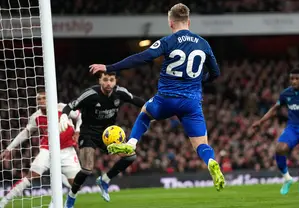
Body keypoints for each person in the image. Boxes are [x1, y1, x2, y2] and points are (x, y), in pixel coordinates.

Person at [89, 3, 225, 192]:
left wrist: (109, 67)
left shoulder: (168, 41)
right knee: (201, 144)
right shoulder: (203, 43)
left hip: (166, 99)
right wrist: (201, 80)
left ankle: (131, 143)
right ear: (189, 21)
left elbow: (142, 57)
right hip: (191, 102)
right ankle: (211, 161)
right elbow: (216, 73)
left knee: (145, 113)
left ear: (170, 23)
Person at [60, 71, 145, 208]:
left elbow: (138, 101)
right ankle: (72, 196)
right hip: (88, 133)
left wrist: (154, 109)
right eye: (105, 80)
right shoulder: (90, 94)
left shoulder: (120, 93)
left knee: (130, 156)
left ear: (115, 81)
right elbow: (70, 106)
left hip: (107, 135)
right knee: (87, 169)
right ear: (100, 81)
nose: (108, 83)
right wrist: (64, 115)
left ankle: (104, 180)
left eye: (111, 80)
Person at [0, 90, 82, 208]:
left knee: (76, 185)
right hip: (47, 149)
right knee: (32, 175)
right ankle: (1, 204)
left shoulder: (62, 108)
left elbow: (80, 116)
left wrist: (77, 131)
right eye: (39, 99)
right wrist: (9, 148)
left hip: (67, 150)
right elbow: (26, 133)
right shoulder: (36, 117)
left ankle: (63, 199)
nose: (41, 101)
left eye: (44, 98)